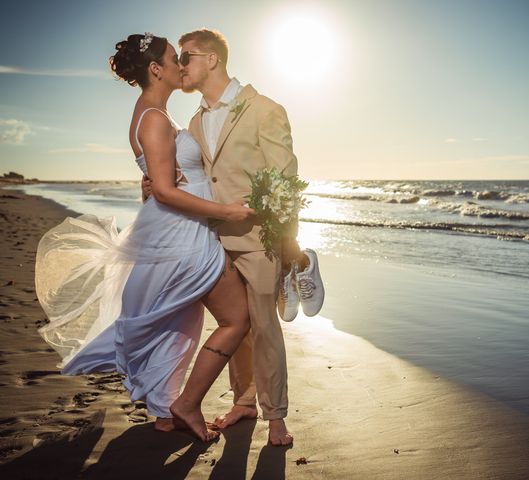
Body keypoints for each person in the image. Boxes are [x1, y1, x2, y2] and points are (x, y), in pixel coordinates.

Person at [35, 33, 254, 442]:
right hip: (183, 234)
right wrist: (229, 211)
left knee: (177, 319)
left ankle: (164, 410)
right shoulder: (153, 117)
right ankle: (186, 403)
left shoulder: (154, 114)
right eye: (175, 58)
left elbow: (162, 177)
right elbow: (168, 191)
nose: (181, 64)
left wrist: (159, 182)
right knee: (236, 319)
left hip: (177, 228)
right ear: (156, 69)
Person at [143, 28, 324, 446]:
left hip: (259, 236)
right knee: (236, 325)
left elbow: (285, 181)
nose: (180, 67)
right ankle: (243, 402)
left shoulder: (263, 109)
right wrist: (157, 185)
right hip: (212, 237)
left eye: (185, 58)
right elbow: (197, 176)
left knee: (263, 326)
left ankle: (275, 417)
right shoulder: (194, 120)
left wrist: (286, 240)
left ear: (210, 59)